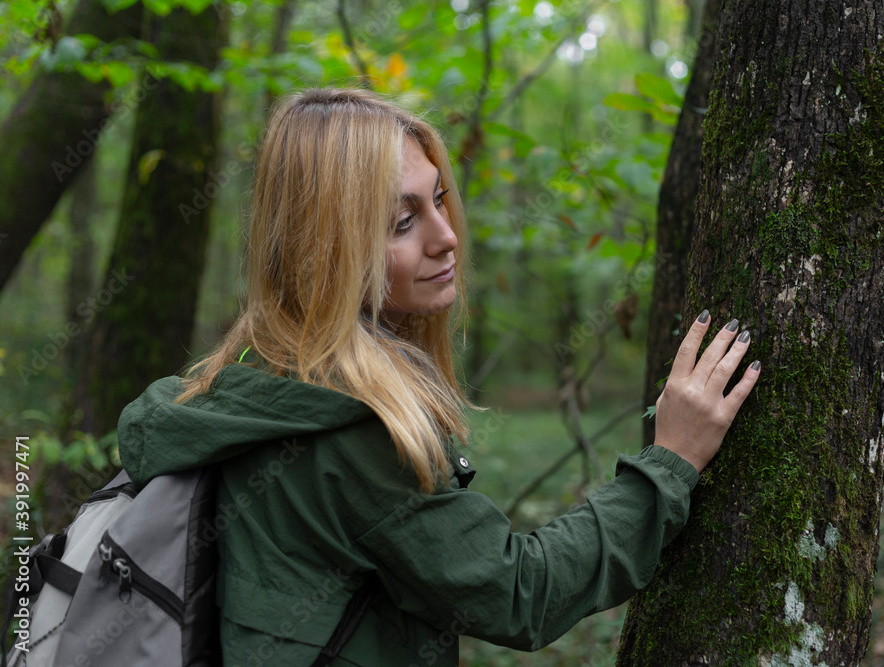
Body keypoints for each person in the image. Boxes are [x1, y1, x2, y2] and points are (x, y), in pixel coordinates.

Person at [117, 87, 760, 666]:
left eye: (439, 201)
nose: (446, 236)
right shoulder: (346, 427)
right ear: (326, 247)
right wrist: (669, 465)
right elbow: (517, 593)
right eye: (403, 222)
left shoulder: (250, 376)